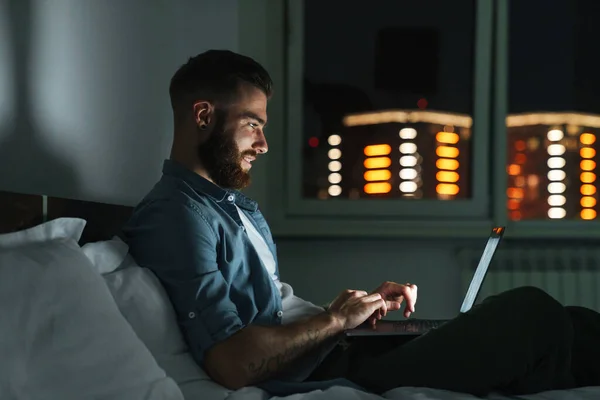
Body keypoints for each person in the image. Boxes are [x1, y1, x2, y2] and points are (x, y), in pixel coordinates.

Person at [122, 50, 600, 397]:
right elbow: (231, 363)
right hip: (327, 373)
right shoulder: (177, 216)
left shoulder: (229, 206)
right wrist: (334, 321)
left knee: (570, 323)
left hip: (338, 349)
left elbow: (267, 315)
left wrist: (345, 314)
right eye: (252, 124)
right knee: (530, 315)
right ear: (203, 115)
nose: (263, 144)